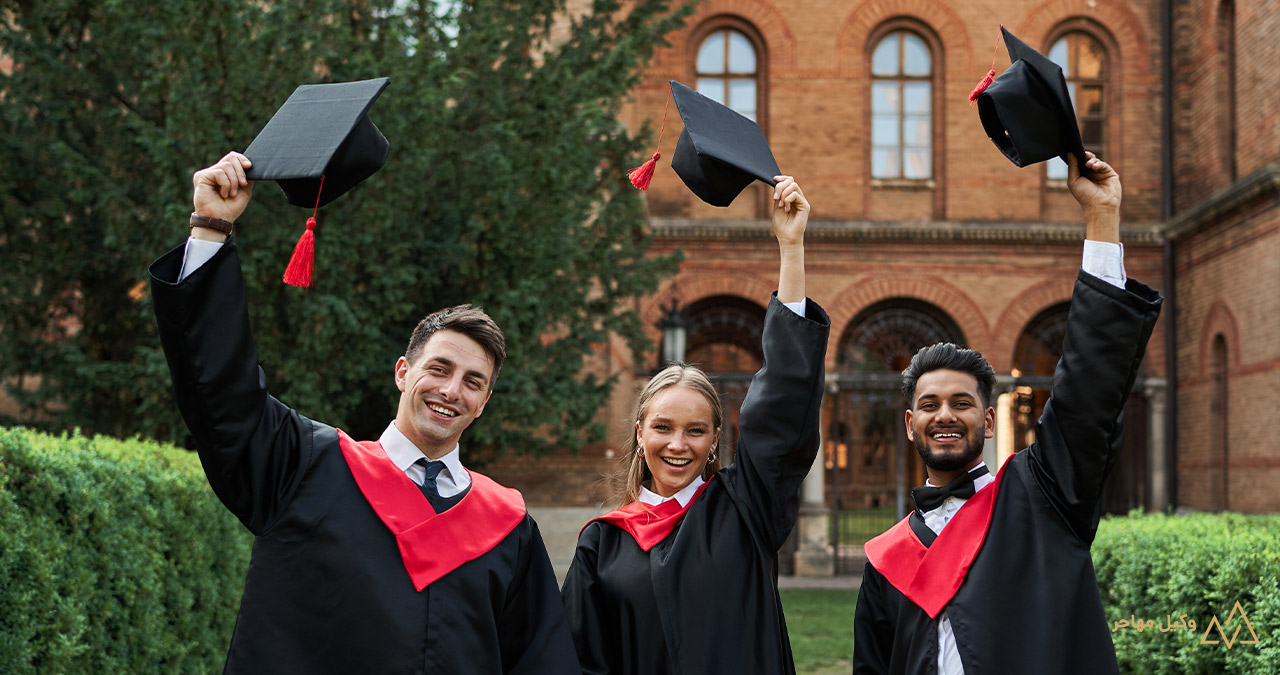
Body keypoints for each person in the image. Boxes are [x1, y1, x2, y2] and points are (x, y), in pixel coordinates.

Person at [149, 151, 579, 673]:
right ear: (402, 372)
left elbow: (540, 662)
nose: (450, 390)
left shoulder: (508, 528)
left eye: (473, 382)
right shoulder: (303, 465)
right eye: (438, 368)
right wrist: (212, 228)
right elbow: (220, 390)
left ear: (484, 402)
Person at [851, 152, 1163, 675]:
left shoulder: (1042, 498)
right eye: (929, 405)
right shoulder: (886, 560)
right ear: (910, 425)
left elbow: (1087, 397)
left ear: (989, 421)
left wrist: (1102, 219)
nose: (944, 415)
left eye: (961, 403)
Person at [560, 176, 831, 674]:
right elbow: (580, 660)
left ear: (715, 442)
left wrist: (790, 247)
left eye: (696, 431)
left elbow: (782, 406)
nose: (677, 444)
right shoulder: (602, 543)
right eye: (663, 427)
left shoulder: (744, 509)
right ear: (640, 432)